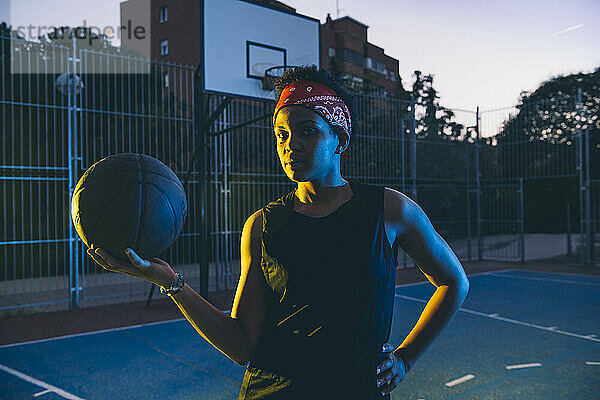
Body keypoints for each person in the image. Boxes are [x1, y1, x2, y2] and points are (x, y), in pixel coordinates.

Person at [87, 65, 470, 399]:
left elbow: (454, 282)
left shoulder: (388, 210)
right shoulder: (262, 225)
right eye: (283, 135)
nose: (292, 145)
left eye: (307, 132)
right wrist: (169, 280)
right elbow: (241, 345)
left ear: (340, 139)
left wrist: (405, 358)